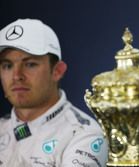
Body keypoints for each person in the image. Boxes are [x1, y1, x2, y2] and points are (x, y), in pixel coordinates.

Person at [0, 19, 108, 166]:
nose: (17, 75)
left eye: (30, 64)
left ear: (57, 71)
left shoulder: (84, 135)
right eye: (7, 65)